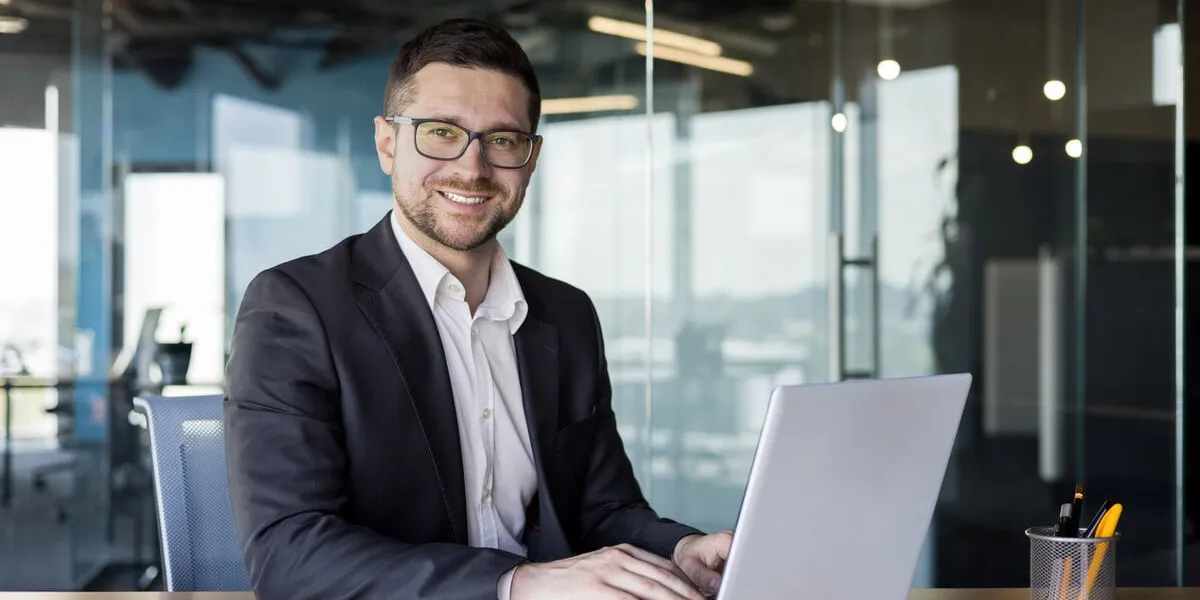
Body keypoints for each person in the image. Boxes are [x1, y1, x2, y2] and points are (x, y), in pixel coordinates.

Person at [223, 16, 733, 600]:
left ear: (530, 158)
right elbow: (291, 556)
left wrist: (680, 550)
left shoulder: (565, 316)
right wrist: (516, 584)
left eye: (502, 140)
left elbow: (603, 508)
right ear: (387, 143)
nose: (472, 168)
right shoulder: (296, 308)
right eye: (441, 132)